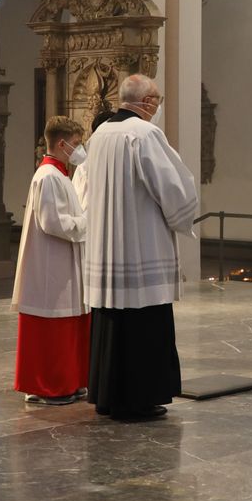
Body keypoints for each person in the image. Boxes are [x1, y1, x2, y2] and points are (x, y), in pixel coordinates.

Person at [83, 75, 198, 420]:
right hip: (140, 245)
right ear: (147, 102)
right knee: (143, 322)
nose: (158, 107)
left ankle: (107, 396)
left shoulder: (100, 135)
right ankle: (138, 398)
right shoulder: (144, 134)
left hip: (106, 248)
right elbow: (173, 187)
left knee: (112, 322)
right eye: (158, 100)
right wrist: (183, 214)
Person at [13, 116, 90, 405]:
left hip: (61, 262)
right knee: (52, 326)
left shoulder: (60, 174)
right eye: (76, 144)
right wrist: (87, 222)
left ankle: (68, 381)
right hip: (50, 266)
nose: (79, 149)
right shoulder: (48, 177)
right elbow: (52, 222)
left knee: (67, 324)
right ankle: (51, 386)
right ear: (61, 144)